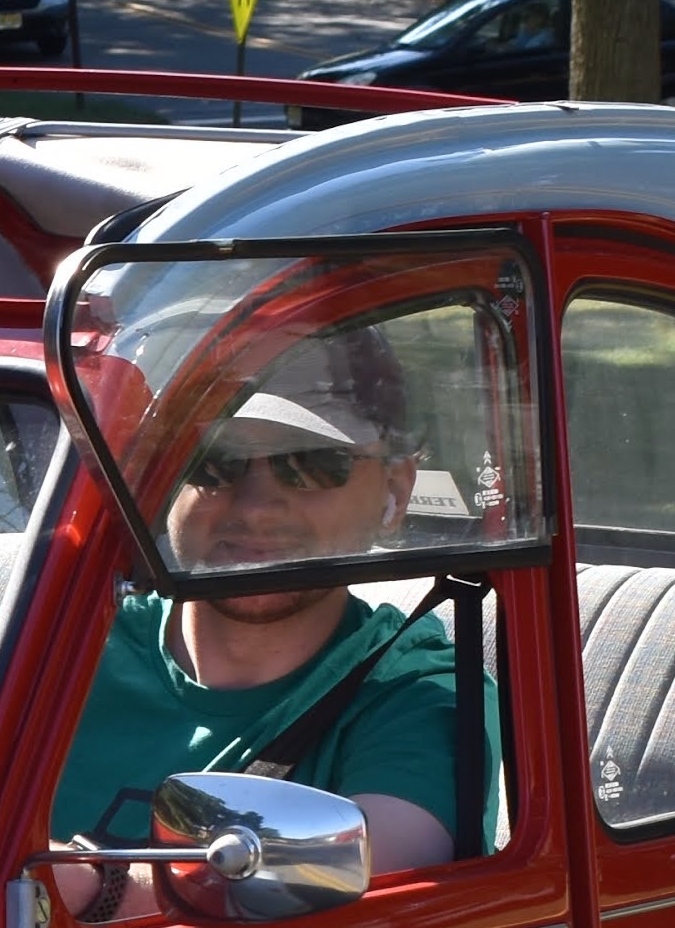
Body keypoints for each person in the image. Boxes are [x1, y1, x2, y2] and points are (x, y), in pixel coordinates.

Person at [53, 326, 468, 879]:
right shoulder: (48, 644)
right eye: (214, 462)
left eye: (312, 464)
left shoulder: (412, 693)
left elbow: (378, 864)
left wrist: (83, 888)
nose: (255, 508)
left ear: (396, 491)